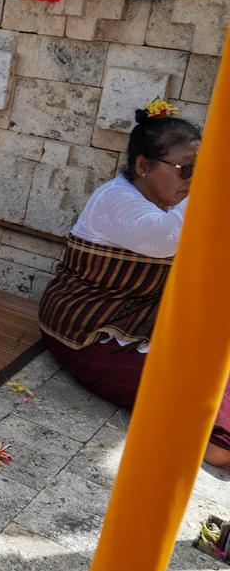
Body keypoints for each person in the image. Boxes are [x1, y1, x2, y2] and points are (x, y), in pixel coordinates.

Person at [38, 104, 228, 467]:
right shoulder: (117, 199)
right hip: (90, 333)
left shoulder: (173, 206)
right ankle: (210, 442)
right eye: (187, 169)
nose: (194, 179)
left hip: (142, 323)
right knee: (213, 405)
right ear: (143, 166)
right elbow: (163, 240)